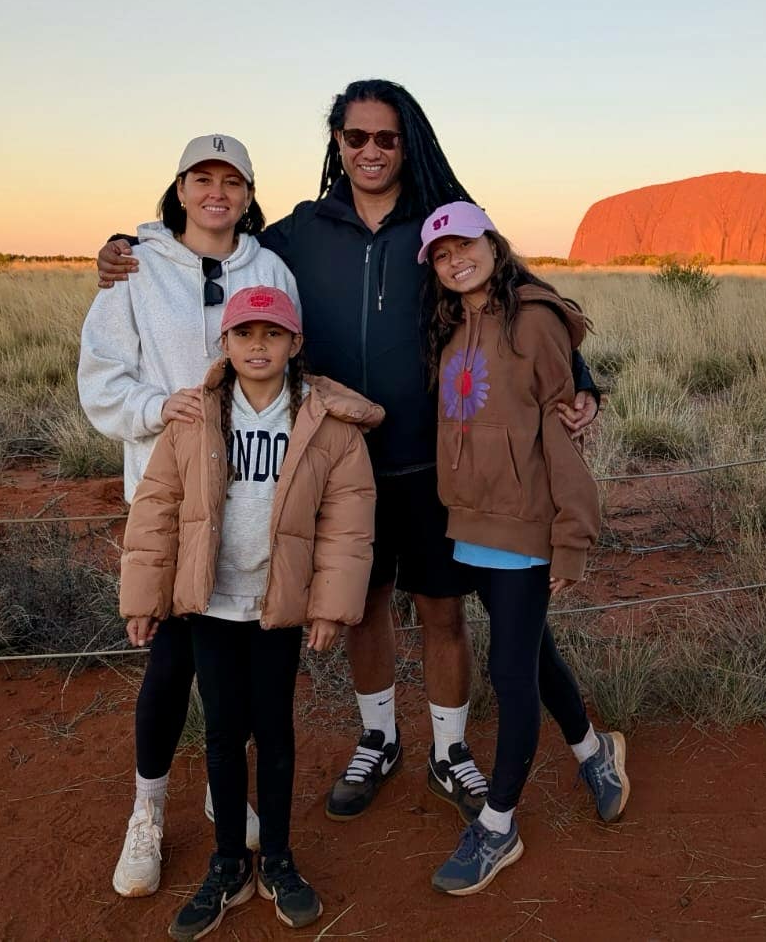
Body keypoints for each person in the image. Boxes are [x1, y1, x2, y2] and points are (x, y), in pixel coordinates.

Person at [96, 80, 599, 827]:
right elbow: (218, 250)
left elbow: (513, 292)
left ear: (408, 144)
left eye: (386, 138)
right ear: (336, 144)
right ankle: (379, 737)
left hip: (432, 463)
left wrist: (579, 379)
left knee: (440, 611)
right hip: (340, 466)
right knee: (362, 608)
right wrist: (136, 248)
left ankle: (450, 749)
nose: (370, 150)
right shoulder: (301, 232)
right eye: (356, 137)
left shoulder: (438, 225)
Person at [120, 284, 380, 938]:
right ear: (226, 344)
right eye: (244, 334)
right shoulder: (195, 417)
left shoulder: (326, 424)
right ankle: (229, 862)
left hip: (277, 607)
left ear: (295, 344)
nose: (257, 345)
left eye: (272, 334)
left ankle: (280, 861)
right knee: (221, 735)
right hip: (211, 606)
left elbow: (349, 522)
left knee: (277, 732)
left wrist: (329, 604)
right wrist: (146, 596)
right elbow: (155, 510)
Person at [78, 134, 299, 897]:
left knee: (232, 661)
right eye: (202, 179)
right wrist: (153, 407)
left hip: (250, 502)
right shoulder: (135, 266)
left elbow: (291, 358)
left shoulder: (268, 268)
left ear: (247, 192)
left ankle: (224, 791)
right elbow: (103, 380)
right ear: (178, 188)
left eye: (231, 181)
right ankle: (146, 813)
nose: (217, 193)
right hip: (167, 495)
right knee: (172, 662)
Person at [418, 201, 630, 897]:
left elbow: (561, 435)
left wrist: (571, 538)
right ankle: (596, 753)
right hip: (469, 527)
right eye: (441, 254)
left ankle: (499, 824)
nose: (456, 259)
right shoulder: (449, 327)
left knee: (510, 674)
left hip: (525, 529)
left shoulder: (533, 321)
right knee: (532, 654)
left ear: (492, 242)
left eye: (465, 244)